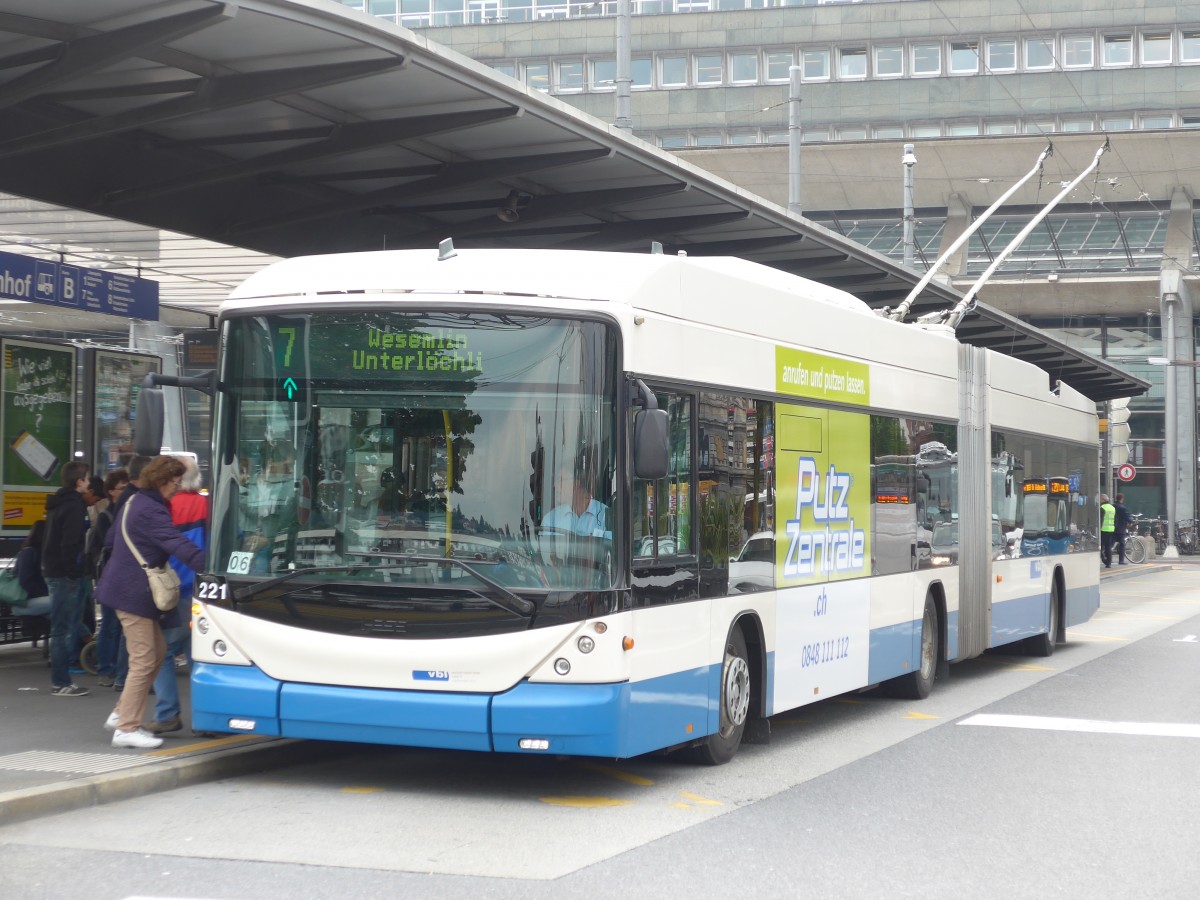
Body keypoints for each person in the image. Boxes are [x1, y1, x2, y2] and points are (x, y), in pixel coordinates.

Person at [96, 455, 205, 750]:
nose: (178, 487)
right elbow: (176, 543)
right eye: (175, 481)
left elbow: (110, 541)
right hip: (133, 593)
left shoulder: (137, 501)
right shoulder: (150, 509)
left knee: (156, 654)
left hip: (127, 589)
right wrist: (209, 565)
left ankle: (121, 713)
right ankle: (127, 728)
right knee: (145, 659)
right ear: (161, 481)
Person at [145, 454, 209, 735]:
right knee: (201, 655)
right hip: (204, 589)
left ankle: (167, 712)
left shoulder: (166, 507)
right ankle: (207, 717)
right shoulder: (208, 505)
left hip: (174, 590)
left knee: (163, 653)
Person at [41, 461, 92, 697]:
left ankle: (60, 681)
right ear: (79, 481)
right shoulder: (74, 506)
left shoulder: (56, 503)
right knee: (62, 630)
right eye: (87, 479)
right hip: (64, 573)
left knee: (59, 628)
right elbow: (70, 543)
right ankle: (61, 683)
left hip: (52, 569)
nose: (89, 483)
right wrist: (73, 571)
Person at [87, 469, 129, 687]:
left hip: (123, 578)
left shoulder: (128, 512)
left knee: (122, 627)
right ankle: (105, 668)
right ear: (112, 492)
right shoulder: (107, 517)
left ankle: (117, 668)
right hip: (109, 578)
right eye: (123, 488)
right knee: (111, 625)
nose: (128, 491)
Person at [1113, 492, 1131, 565]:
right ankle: (1121, 561)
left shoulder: (1112, 506)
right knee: (1122, 544)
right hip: (1120, 528)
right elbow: (1126, 517)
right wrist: (1131, 521)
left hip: (1112, 527)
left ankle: (1107, 558)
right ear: (1122, 499)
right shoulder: (1122, 508)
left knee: (1110, 543)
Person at [1099, 493, 1116, 568]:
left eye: (1100, 499)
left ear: (1102, 499)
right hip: (1111, 529)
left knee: (1101, 547)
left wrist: (1098, 529)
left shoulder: (1102, 507)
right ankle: (1108, 563)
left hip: (1103, 530)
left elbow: (1100, 520)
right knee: (1108, 547)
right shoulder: (1112, 508)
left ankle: (1103, 559)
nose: (1099, 500)